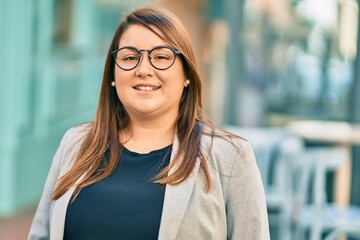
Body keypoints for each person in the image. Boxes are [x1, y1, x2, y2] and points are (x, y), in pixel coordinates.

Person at [28, 6, 269, 240]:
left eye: (161, 57)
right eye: (130, 57)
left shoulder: (230, 158)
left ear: (186, 74)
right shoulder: (76, 144)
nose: (144, 69)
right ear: (113, 74)